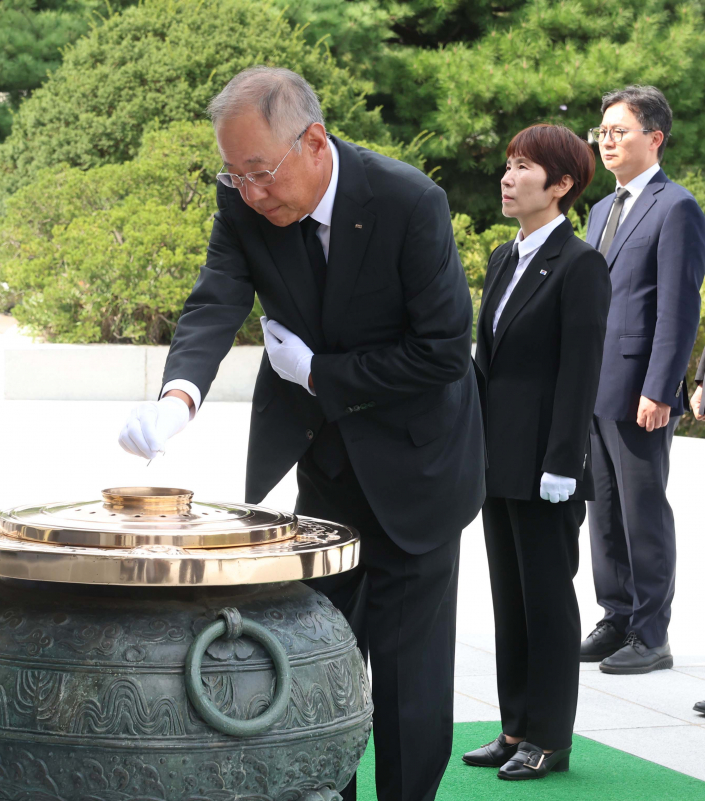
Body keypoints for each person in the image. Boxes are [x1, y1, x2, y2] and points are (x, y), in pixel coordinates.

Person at [118, 66, 485, 801]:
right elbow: (217, 297)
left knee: (411, 682)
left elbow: (445, 349)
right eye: (234, 174)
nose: (250, 192)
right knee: (318, 662)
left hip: (419, 469)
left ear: (314, 141)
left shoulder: (408, 201)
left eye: (260, 172)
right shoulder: (244, 198)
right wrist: (178, 398)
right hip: (327, 467)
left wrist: (321, 373)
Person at [461, 124, 609, 780]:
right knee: (509, 598)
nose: (508, 176)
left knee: (548, 603)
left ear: (562, 185)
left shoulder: (580, 265)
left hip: (547, 467)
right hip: (498, 461)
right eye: (508, 164)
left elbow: (580, 374)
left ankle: (549, 736)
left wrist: (562, 463)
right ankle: (514, 724)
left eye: (524, 167)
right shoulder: (503, 256)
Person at [580, 86, 705, 674]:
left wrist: (661, 388)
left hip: (640, 390)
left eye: (619, 131)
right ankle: (617, 616)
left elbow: (680, 308)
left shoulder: (676, 206)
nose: (607, 141)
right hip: (594, 387)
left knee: (643, 510)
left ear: (654, 138)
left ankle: (653, 635)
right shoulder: (600, 210)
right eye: (602, 131)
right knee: (603, 510)